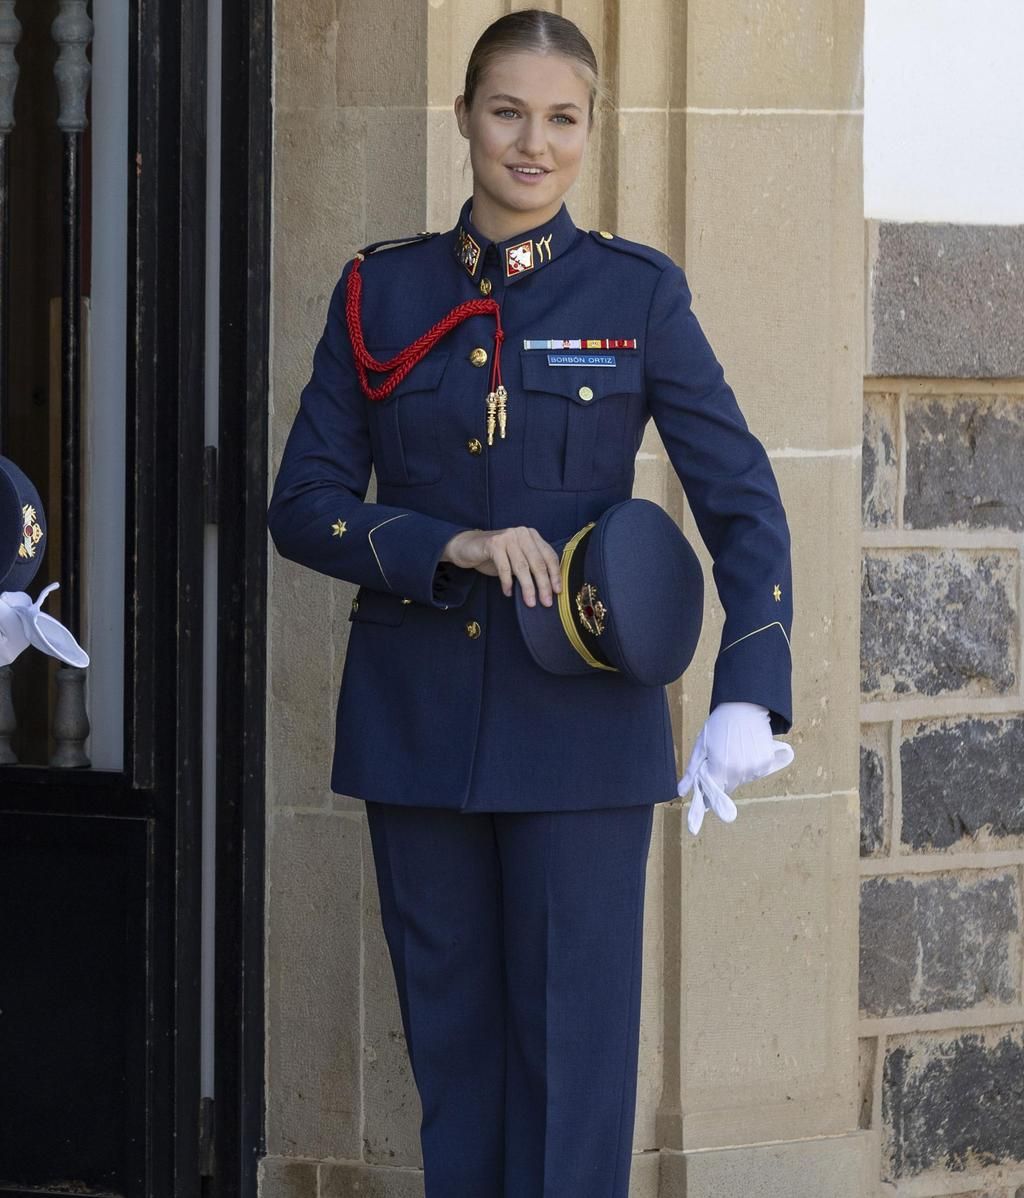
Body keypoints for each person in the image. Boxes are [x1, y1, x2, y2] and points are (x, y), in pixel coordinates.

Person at [267, 9, 795, 1196]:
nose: (531, 142)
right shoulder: (378, 294)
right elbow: (300, 504)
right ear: (463, 116)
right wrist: (445, 539)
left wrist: (750, 689)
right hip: (419, 733)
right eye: (507, 111)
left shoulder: (638, 295)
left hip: (581, 739)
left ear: (589, 133)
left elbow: (745, 500)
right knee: (455, 1073)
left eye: (561, 119)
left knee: (573, 1078)